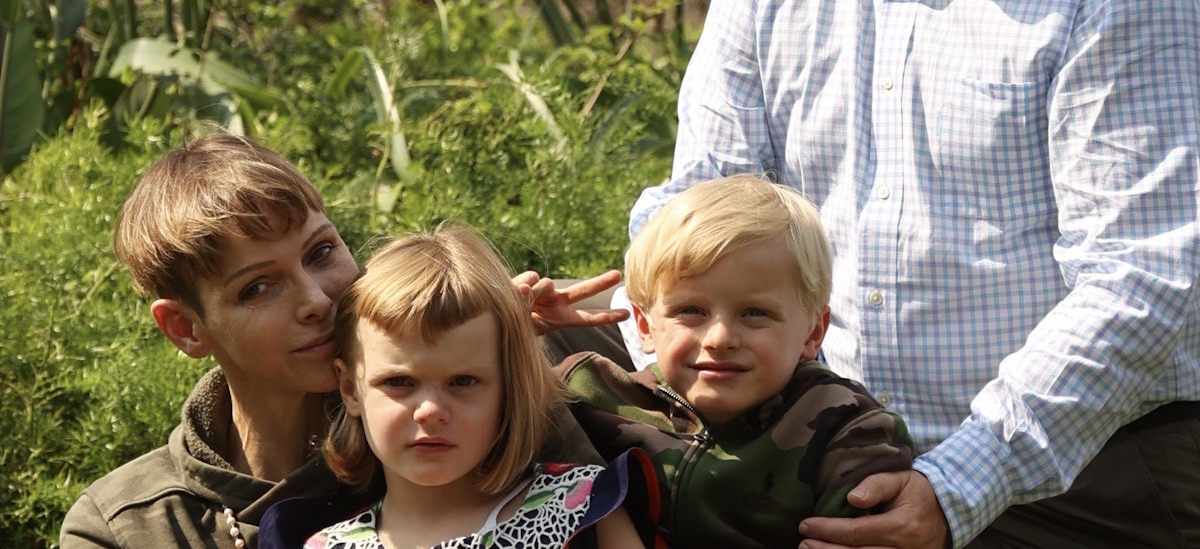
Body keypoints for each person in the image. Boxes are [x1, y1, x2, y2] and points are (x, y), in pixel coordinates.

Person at [620, 0, 1200, 545]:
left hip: (1079, 467)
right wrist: (637, 321)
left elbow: (1147, 278)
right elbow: (703, 203)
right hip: (816, 442)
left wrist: (953, 487)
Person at [59, 130, 628, 549]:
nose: (315, 299)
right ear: (186, 328)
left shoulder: (462, 419)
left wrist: (501, 347)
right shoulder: (131, 527)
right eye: (258, 287)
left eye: (321, 251)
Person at [559, 174, 914, 548]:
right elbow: (495, 437)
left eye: (755, 313)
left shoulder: (847, 430)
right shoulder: (592, 394)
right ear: (645, 325)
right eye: (691, 310)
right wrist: (508, 326)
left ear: (812, 332)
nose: (720, 339)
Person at [284, 224, 650, 549]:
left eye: (463, 381)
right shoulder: (326, 545)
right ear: (350, 389)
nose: (430, 410)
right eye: (398, 382)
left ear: (508, 386)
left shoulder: (578, 506)